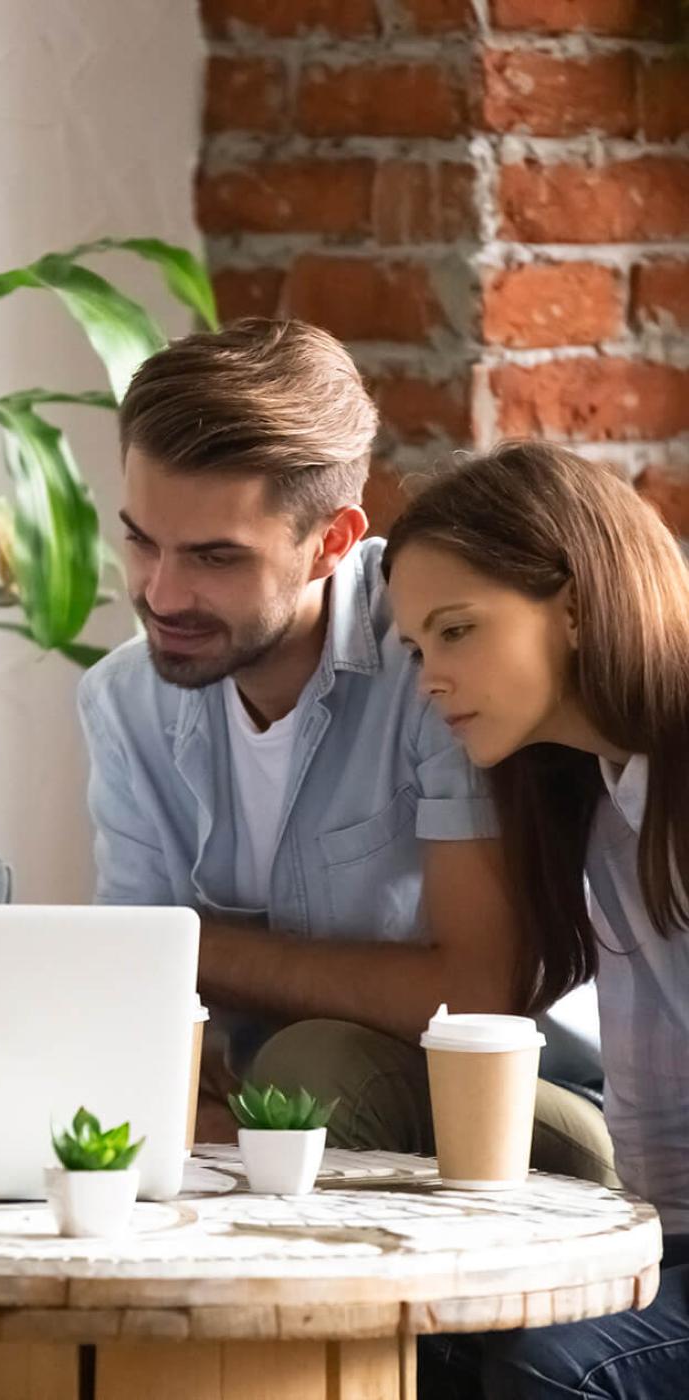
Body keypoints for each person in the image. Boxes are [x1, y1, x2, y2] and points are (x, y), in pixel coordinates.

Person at [76, 320, 612, 1181]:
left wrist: (198, 947)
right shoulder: (126, 699)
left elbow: (475, 992)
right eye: (142, 539)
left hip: (519, 1093)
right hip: (265, 1102)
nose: (161, 592)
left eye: (215, 557)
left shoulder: (435, 668)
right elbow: (136, 987)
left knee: (311, 1064)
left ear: (330, 541)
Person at [384, 441, 689, 1400]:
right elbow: (654, 1104)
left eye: (457, 631)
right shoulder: (601, 802)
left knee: (560, 1367)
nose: (429, 677)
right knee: (427, 1335)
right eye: (416, 648)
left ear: (577, 600)